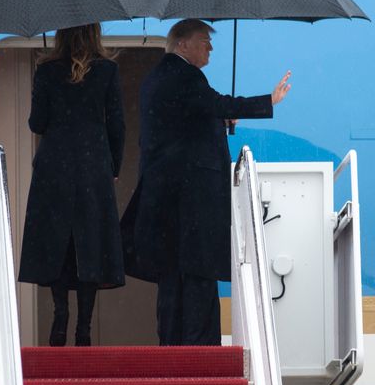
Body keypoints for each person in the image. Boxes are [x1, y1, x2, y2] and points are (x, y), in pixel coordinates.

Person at [121, 18, 291, 346]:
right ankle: (200, 354)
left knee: (174, 282)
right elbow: (213, 103)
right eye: (204, 41)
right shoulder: (185, 76)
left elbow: (185, 121)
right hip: (189, 202)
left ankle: (174, 349)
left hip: (168, 199)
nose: (210, 47)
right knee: (198, 280)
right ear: (183, 44)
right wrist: (268, 100)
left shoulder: (159, 77)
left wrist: (218, 117)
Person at [18, 23, 126, 347]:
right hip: (94, 165)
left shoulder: (47, 70)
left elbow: (37, 123)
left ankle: (60, 314)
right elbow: (117, 123)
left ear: (61, 34)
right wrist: (113, 166)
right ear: (94, 34)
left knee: (57, 238)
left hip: (54, 166)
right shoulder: (107, 70)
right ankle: (84, 327)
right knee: (90, 240)